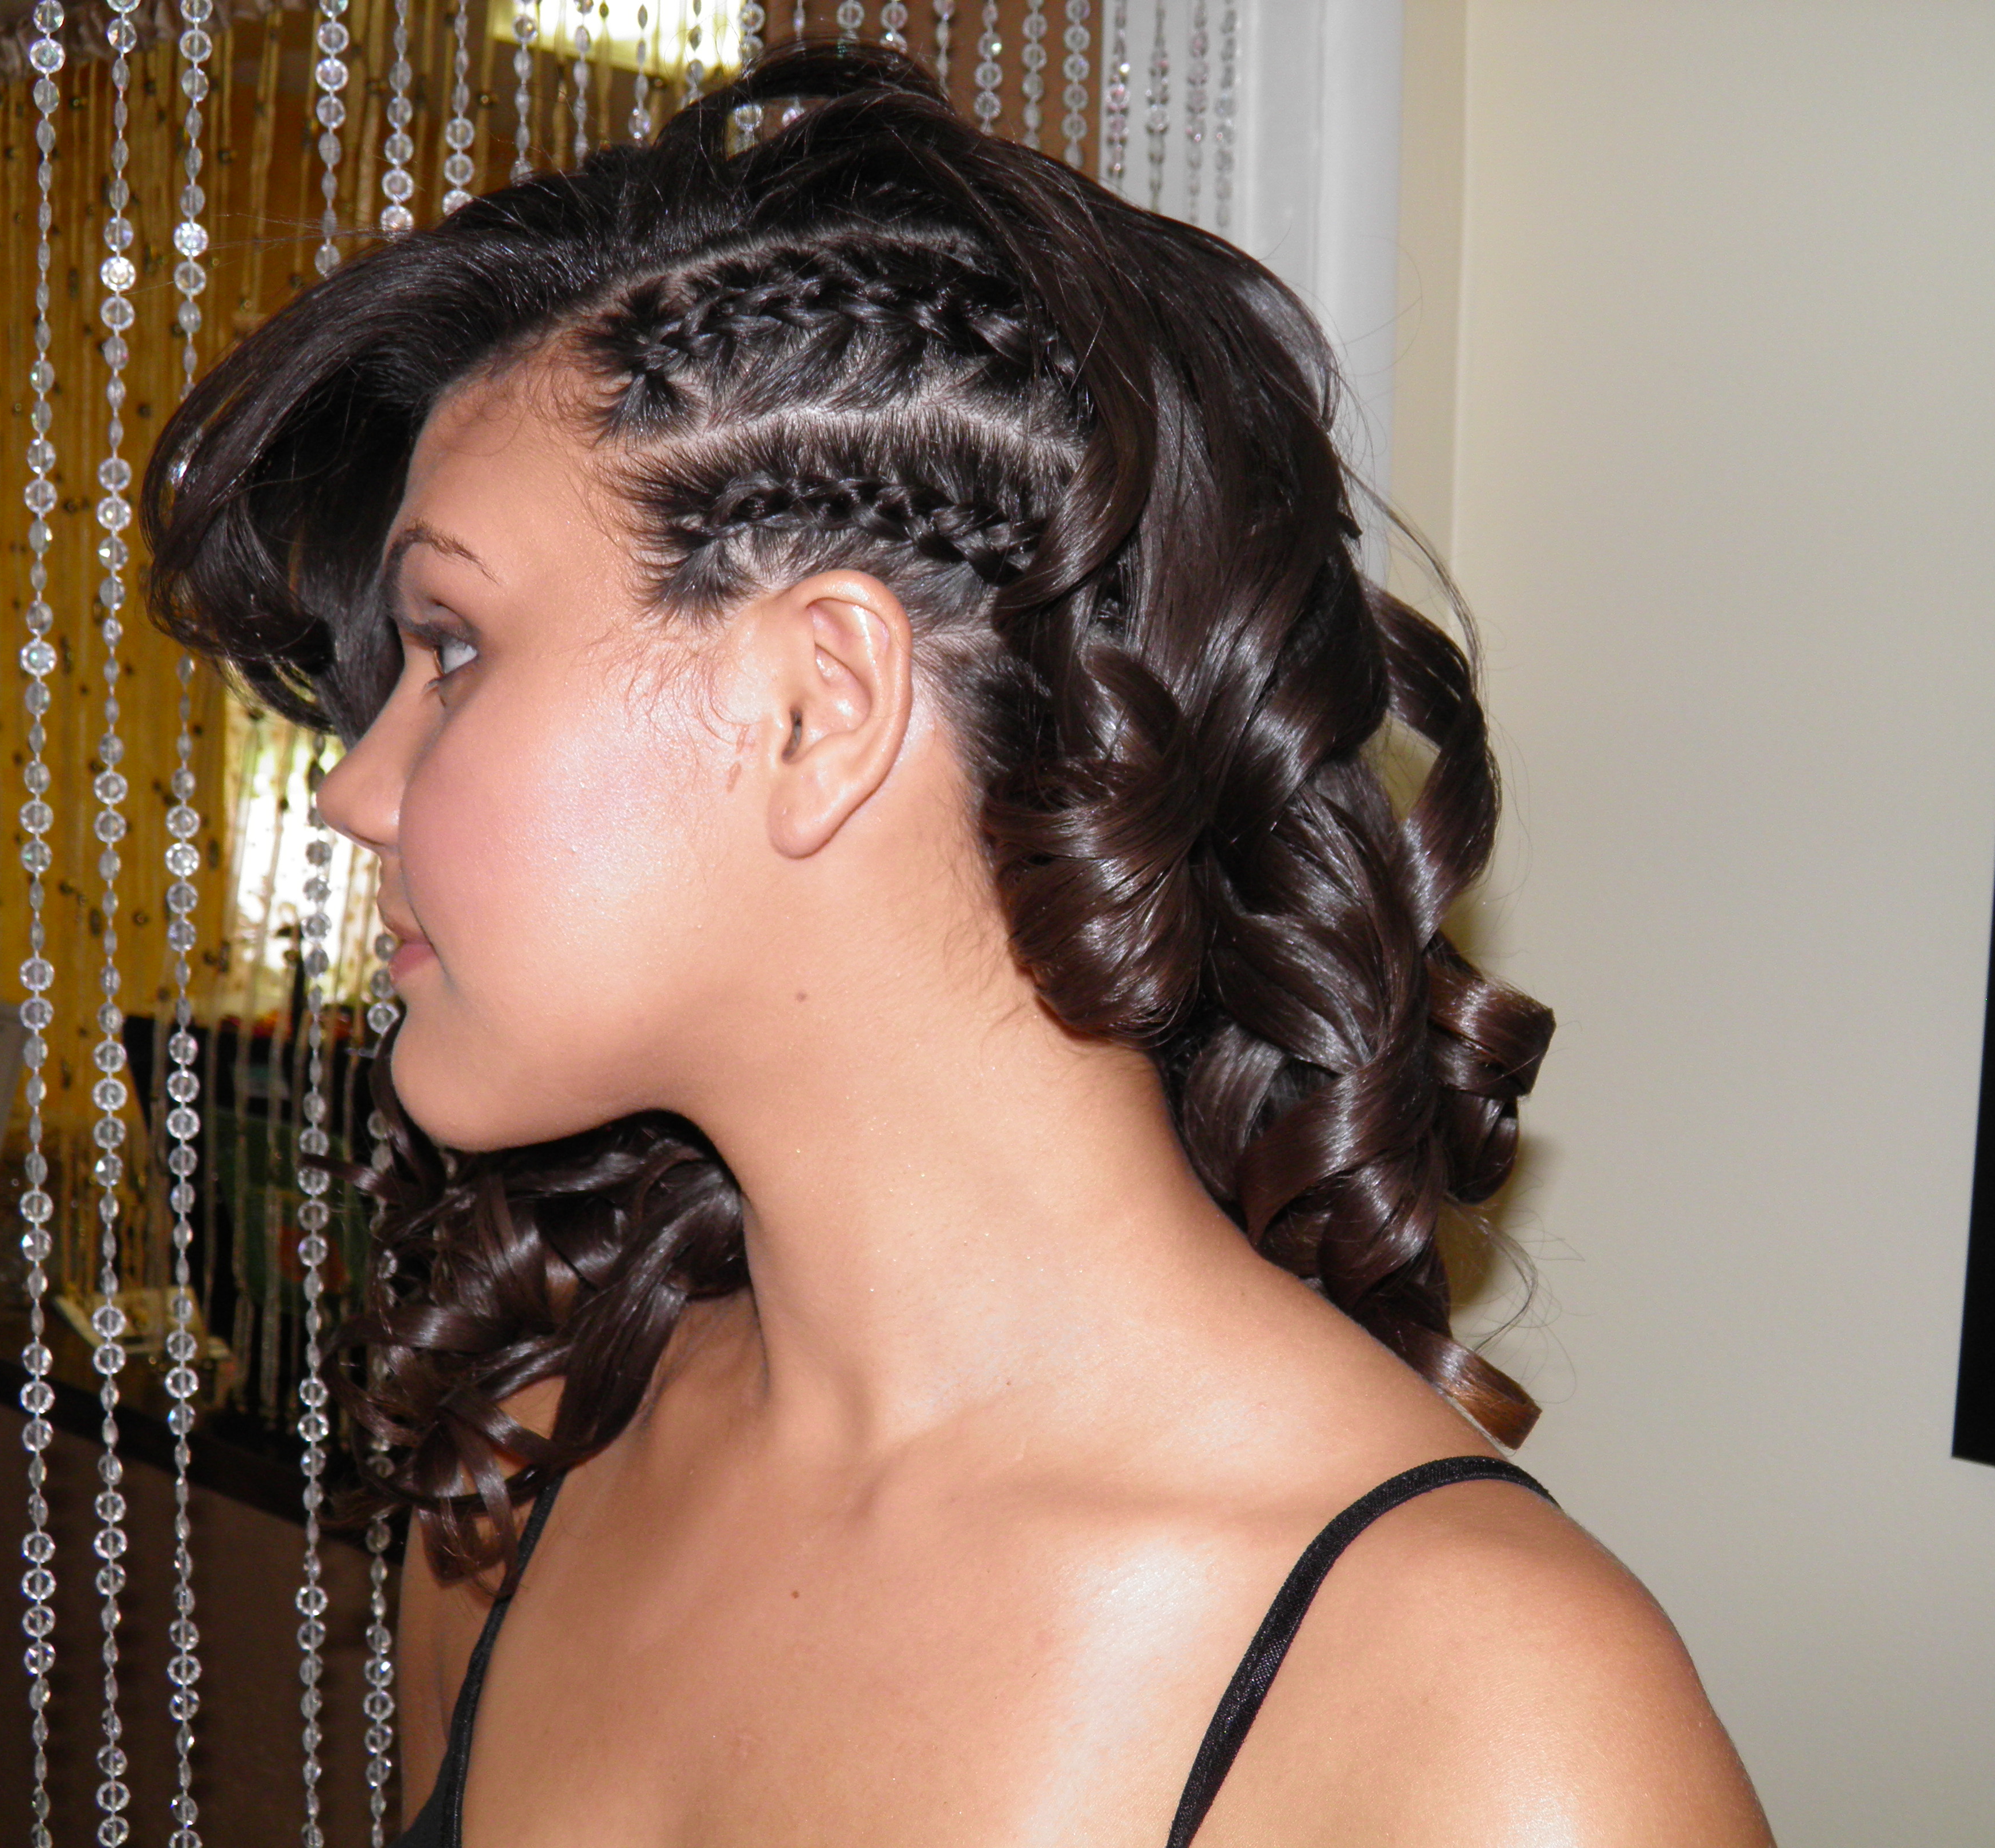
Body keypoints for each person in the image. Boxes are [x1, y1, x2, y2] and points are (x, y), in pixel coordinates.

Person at [145, 45, 1772, 1848]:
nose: (358, 790)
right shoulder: (529, 1482)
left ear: (820, 704)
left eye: (452, 650)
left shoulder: (1485, 1717)